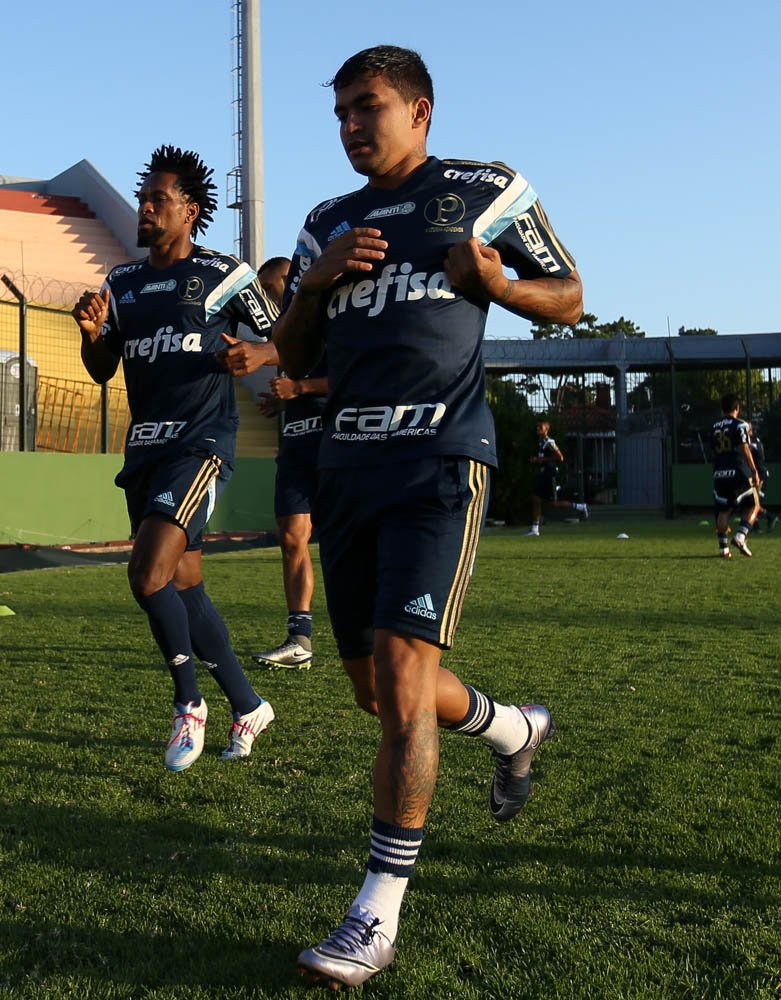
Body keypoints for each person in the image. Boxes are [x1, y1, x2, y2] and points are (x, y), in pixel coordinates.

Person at [271, 45, 583, 989]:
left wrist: (495, 285)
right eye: (340, 114)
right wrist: (316, 281)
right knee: (377, 693)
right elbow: (284, 349)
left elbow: (570, 298)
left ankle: (374, 915)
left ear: (421, 110)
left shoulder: (486, 189)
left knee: (406, 682)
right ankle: (511, 730)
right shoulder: (328, 221)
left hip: (440, 460)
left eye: (368, 107)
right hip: (345, 469)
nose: (351, 126)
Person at [72, 145, 279, 771]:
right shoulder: (122, 283)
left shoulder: (226, 275)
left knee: (146, 574)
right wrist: (90, 336)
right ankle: (248, 704)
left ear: (189, 211)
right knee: (184, 583)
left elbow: (290, 339)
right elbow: (103, 368)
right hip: (146, 450)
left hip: (200, 444)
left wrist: (261, 357)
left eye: (157, 201)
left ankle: (189, 703)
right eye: (143, 199)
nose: (144, 209)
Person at [250, 257, 329, 668]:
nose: (267, 295)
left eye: (269, 286)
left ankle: (375, 633)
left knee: (343, 544)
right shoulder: (282, 331)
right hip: (296, 445)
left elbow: (354, 377)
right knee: (292, 538)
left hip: (334, 441)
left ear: (288, 279)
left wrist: (298, 386)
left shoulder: (328, 315)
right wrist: (278, 401)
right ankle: (300, 638)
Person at [711, 393, 762, 557]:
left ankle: (723, 549)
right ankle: (740, 537)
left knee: (723, 511)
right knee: (754, 504)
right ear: (737, 408)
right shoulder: (741, 425)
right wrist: (754, 471)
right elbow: (744, 447)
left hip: (719, 473)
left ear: (722, 409)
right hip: (738, 472)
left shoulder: (714, 427)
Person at [526, 419, 588, 536]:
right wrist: (536, 460)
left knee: (553, 503)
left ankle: (580, 506)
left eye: (540, 427)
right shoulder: (540, 442)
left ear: (546, 430)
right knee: (536, 499)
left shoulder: (550, 442)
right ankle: (535, 530)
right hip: (543, 474)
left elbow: (560, 457)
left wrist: (542, 460)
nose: (537, 429)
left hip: (550, 475)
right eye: (537, 427)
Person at [747, 423, 778, 533]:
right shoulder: (753, 441)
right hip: (756, 475)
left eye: (747, 429)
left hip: (760, 476)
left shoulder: (753, 443)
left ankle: (769, 518)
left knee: (754, 502)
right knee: (752, 502)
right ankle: (756, 525)